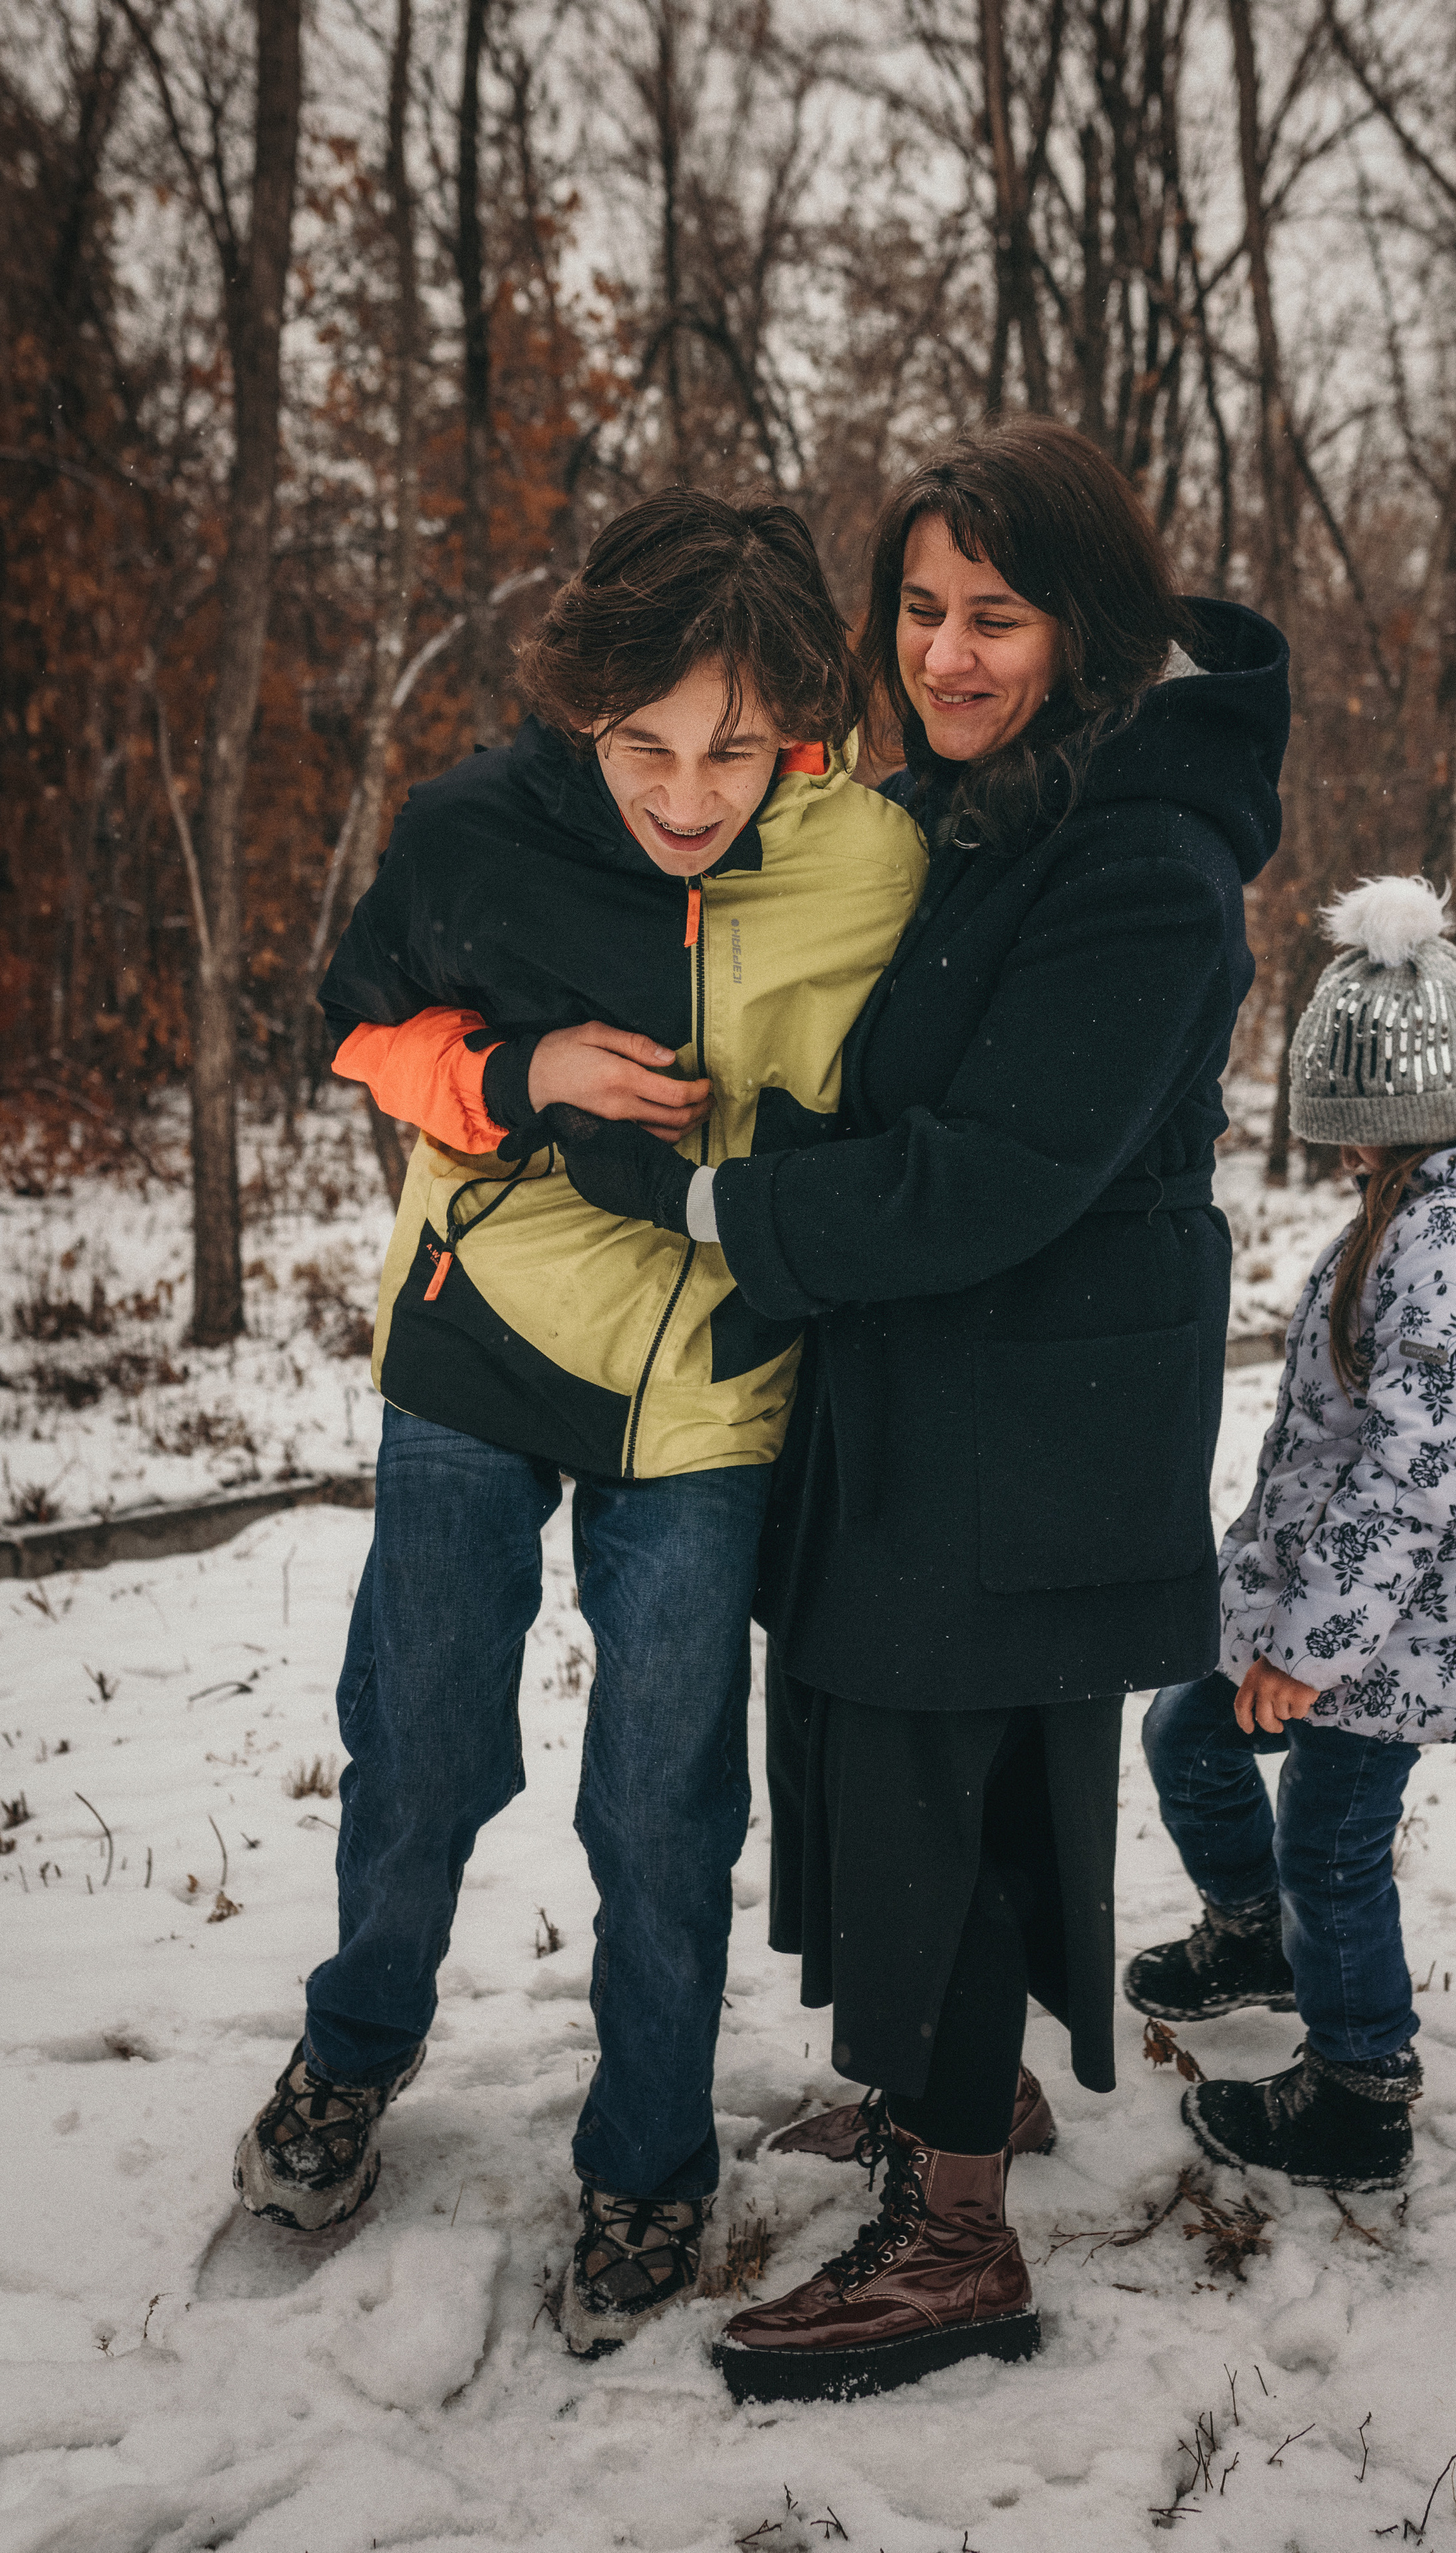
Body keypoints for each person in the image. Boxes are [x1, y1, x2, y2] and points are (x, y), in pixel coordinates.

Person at [553, 416, 1290, 2402]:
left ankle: (953, 2239)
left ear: (1089, 625)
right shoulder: (996, 798)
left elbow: (993, 1172)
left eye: (999, 615)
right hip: (941, 1394)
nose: (947, 653)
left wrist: (710, 1202)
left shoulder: (1145, 858)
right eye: (923, 607)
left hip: (1019, 1425)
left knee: (932, 1799)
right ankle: (966, 2108)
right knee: (923, 1779)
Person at [230, 491, 926, 2354]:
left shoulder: (871, 860)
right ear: (584, 710)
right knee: (425, 1738)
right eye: (647, 747)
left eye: (737, 749)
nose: (691, 795)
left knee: (662, 1800)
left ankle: (645, 2165)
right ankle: (353, 2047)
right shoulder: (475, 829)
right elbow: (358, 1032)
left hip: (707, 1375)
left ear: (800, 721)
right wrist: (517, 1071)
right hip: (478, 1331)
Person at [1124, 873, 1456, 2191]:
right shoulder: (1423, 1211)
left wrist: (1309, 1652)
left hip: (1399, 1626)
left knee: (1331, 1837)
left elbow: (1412, 1479)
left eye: (1346, 1136)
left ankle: (1359, 2086)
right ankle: (1252, 1935)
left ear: (1393, 1120)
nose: (1334, 1160)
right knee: (1188, 1729)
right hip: (1337, 1597)